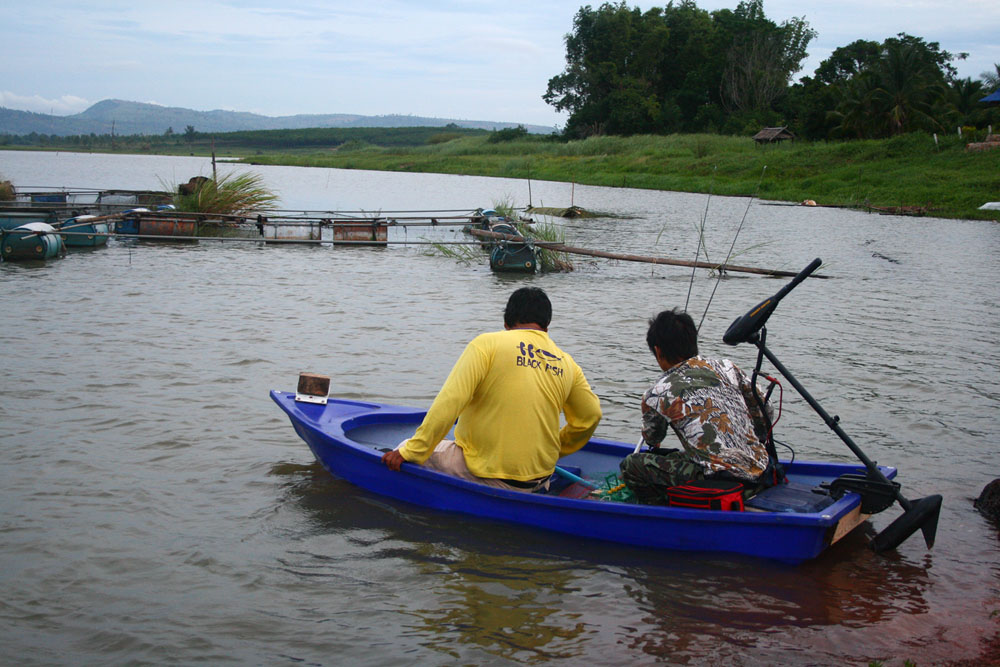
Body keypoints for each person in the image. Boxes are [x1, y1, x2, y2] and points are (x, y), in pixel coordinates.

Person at [381, 287, 602, 492]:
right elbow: (591, 416)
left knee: (405, 446)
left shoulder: (487, 344)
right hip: (539, 480)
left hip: (489, 476)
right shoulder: (567, 363)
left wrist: (412, 451)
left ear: (506, 323)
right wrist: (555, 451)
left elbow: (451, 401)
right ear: (546, 326)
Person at [620, 308, 773, 504]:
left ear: (658, 351)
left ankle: (661, 508)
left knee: (631, 465)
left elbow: (652, 438)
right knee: (686, 455)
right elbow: (765, 410)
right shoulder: (727, 367)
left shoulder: (657, 393)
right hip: (762, 468)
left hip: (724, 481)